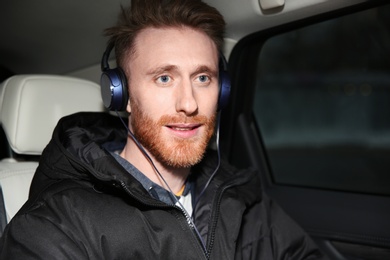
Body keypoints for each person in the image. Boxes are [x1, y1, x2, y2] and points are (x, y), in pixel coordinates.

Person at [0, 0, 328, 259]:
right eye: (164, 78)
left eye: (203, 78)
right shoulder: (53, 227)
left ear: (222, 91)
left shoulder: (235, 194)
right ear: (122, 95)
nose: (189, 103)